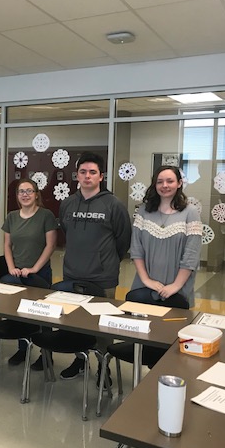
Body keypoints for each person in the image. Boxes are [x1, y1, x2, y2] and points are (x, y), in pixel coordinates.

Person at [49, 152, 131, 381]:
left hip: (102, 277)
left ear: (101, 176)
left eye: (92, 172)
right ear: (77, 175)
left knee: (103, 326)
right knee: (74, 323)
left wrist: (105, 259)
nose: (87, 176)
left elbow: (123, 240)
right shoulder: (68, 203)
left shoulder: (113, 204)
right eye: (83, 172)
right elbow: (67, 231)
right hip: (72, 274)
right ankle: (79, 359)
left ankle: (103, 367)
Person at [0, 178, 57, 365]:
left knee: (42, 315)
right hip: (17, 275)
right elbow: (7, 245)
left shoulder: (45, 215)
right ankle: (22, 349)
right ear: (17, 196)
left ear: (36, 194)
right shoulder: (12, 217)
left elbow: (50, 245)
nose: (25, 195)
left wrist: (34, 269)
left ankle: (45, 354)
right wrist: (11, 267)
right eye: (21, 191)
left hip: (39, 274)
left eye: (29, 191)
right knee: (20, 313)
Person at [128, 165, 202, 309]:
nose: (165, 185)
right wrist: (146, 280)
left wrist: (176, 285)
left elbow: (191, 255)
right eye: (160, 181)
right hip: (145, 285)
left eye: (170, 181)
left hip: (177, 288)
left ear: (179, 183)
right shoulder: (144, 210)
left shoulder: (190, 212)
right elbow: (136, 249)